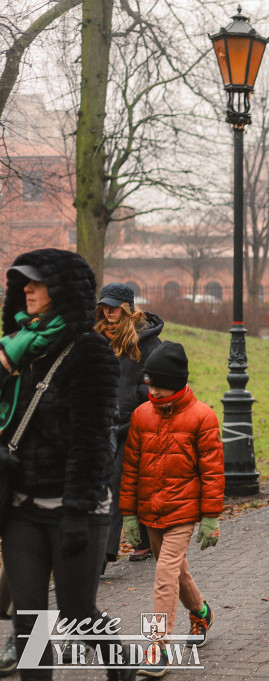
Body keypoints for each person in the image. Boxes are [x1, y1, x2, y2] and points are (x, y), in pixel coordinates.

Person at [0, 248, 135, 681]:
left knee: (77, 614)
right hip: (22, 506)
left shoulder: (90, 351)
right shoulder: (15, 350)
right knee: (29, 622)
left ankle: (123, 669)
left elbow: (95, 439)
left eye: (36, 282)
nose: (27, 289)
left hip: (77, 509)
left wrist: (77, 511)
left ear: (61, 290)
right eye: (23, 282)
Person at [120, 341, 224, 676]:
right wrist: (129, 514)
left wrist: (210, 518)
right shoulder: (141, 415)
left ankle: (157, 646)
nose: (153, 390)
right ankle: (200, 612)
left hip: (183, 512)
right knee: (176, 571)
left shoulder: (202, 417)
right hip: (151, 511)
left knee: (164, 573)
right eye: (150, 384)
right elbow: (131, 469)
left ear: (177, 383)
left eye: (159, 384)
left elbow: (212, 471)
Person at [94, 282, 164, 565]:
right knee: (114, 483)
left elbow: (157, 386)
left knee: (117, 481)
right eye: (104, 307)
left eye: (113, 307)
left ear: (126, 309)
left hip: (135, 423)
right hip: (100, 424)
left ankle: (102, 553)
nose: (108, 313)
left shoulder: (148, 343)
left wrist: (137, 397)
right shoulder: (96, 340)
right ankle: (143, 540)